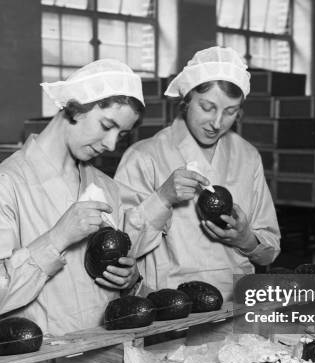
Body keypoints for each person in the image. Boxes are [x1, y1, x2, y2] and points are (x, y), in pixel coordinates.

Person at [0, 60, 150, 336]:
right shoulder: (3, 185)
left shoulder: (106, 186)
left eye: (121, 134)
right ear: (75, 108)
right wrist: (57, 238)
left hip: (103, 356)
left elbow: (118, 275)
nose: (111, 144)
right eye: (106, 125)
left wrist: (129, 277)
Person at [114, 46, 281, 303]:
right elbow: (121, 250)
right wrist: (163, 198)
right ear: (187, 100)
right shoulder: (143, 157)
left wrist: (246, 238)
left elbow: (269, 252)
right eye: (207, 107)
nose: (217, 123)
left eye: (230, 112)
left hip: (235, 307)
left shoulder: (248, 156)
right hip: (170, 309)